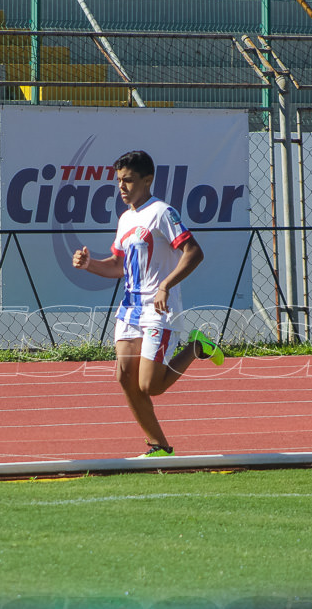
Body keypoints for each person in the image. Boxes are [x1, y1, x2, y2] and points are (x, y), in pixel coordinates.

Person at [72, 150, 224, 457]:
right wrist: (89, 265)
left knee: (150, 385)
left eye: (128, 180)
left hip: (159, 310)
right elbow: (117, 265)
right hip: (129, 310)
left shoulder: (162, 212)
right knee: (124, 378)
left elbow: (194, 252)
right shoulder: (126, 218)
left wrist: (165, 285)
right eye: (119, 181)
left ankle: (196, 346)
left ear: (147, 180)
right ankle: (159, 446)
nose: (122, 187)